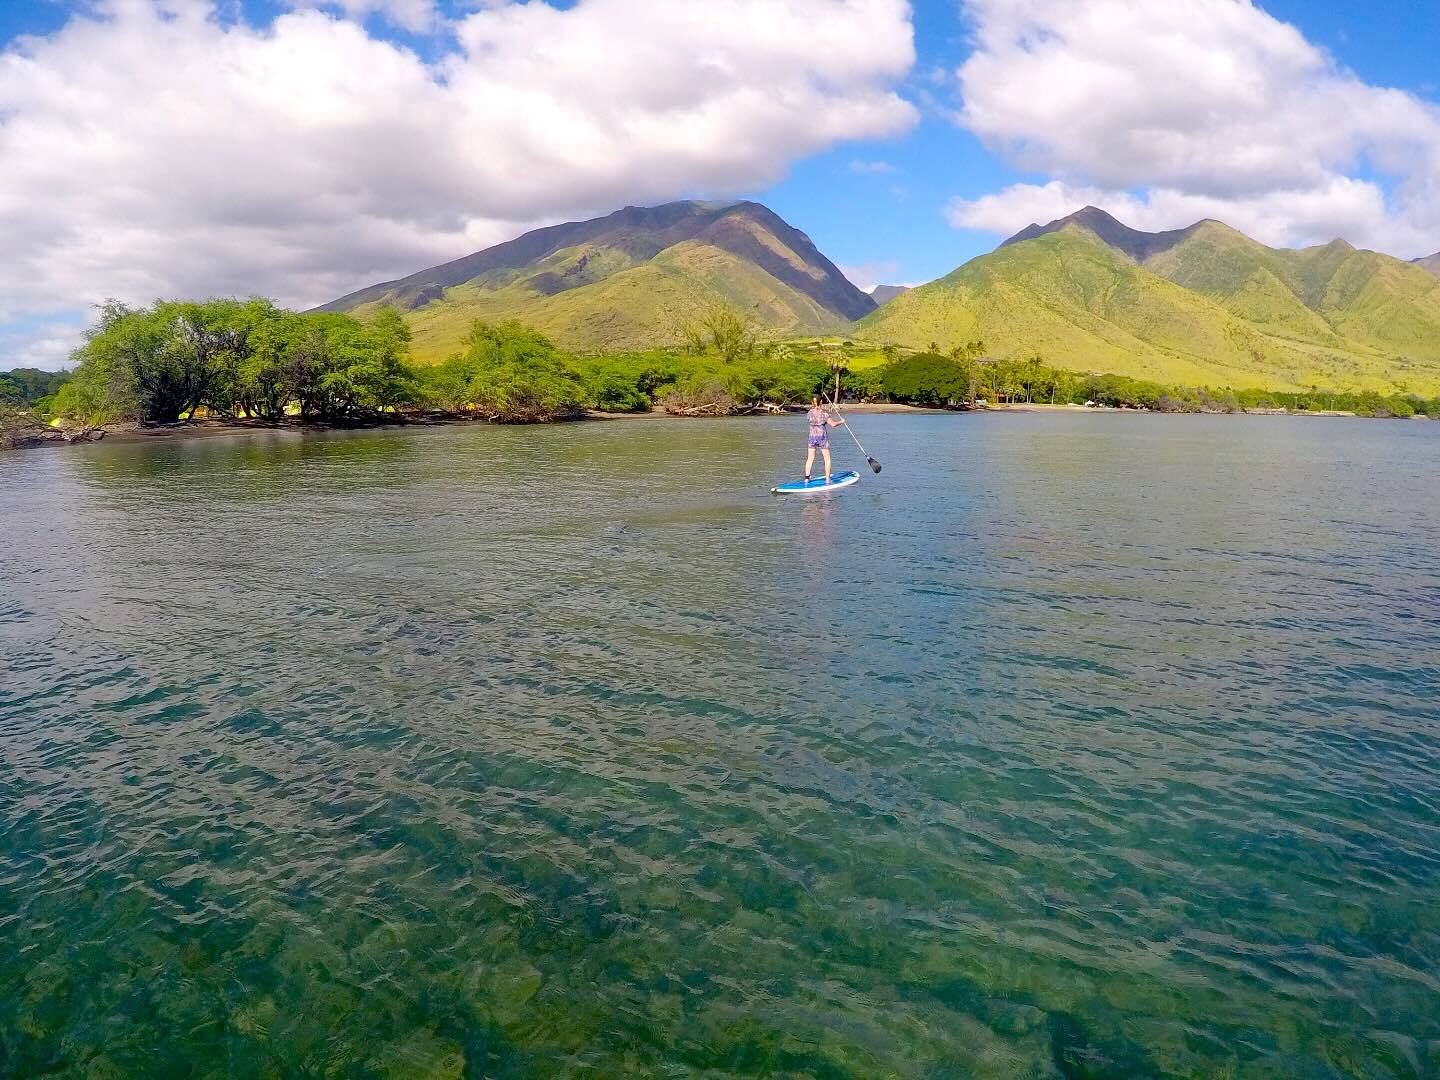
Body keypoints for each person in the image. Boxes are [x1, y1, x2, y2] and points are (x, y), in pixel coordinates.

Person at [803, 395, 845, 483]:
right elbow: (833, 424)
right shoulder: (824, 414)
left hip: (812, 437)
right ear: (821, 402)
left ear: (812, 403)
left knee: (810, 458)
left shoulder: (809, 413)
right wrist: (841, 421)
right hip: (822, 437)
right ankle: (827, 479)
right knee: (827, 459)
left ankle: (806, 478)